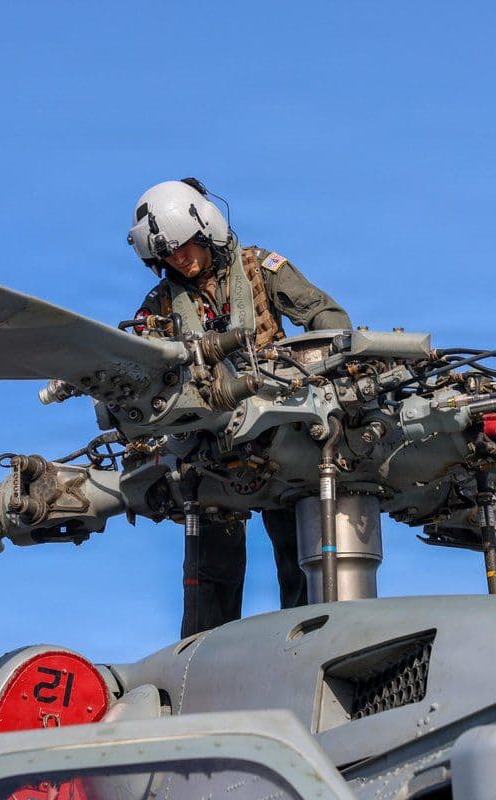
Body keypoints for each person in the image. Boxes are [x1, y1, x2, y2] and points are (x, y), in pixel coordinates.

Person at [126, 178, 351, 637]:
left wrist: (328, 371)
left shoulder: (260, 268)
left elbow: (328, 319)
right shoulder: (160, 305)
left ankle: (308, 650)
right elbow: (141, 378)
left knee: (302, 562)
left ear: (205, 229)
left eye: (184, 246)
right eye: (167, 254)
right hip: (212, 450)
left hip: (280, 437)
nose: (178, 259)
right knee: (210, 580)